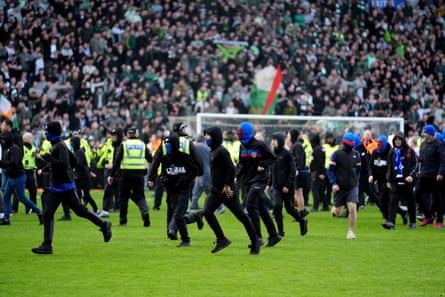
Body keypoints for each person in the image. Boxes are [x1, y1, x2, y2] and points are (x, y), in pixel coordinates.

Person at [32, 121, 111, 254]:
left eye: (47, 132)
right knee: (47, 214)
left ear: (51, 133)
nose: (45, 134)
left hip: (65, 187)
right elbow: (73, 161)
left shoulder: (59, 146)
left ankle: (104, 225)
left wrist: (48, 159)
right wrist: (49, 167)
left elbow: (63, 163)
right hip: (58, 186)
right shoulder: (60, 144)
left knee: (80, 211)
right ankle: (47, 245)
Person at [195, 126, 261, 254]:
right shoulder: (212, 151)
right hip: (215, 191)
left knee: (241, 217)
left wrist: (227, 185)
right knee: (207, 212)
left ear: (214, 137)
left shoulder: (222, 151)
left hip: (227, 191)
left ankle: (255, 241)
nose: (206, 137)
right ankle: (222, 239)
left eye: (208, 135)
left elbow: (231, 169)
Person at [148, 131, 203, 247]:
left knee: (178, 214)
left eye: (169, 146)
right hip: (171, 187)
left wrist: (185, 179)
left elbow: (195, 169)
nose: (166, 147)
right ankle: (195, 217)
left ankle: (185, 239)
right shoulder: (166, 158)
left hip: (184, 188)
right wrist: (161, 178)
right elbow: (158, 164)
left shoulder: (184, 157)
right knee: (174, 211)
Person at [236, 121, 281, 247]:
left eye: (240, 131)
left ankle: (257, 238)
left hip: (260, 180)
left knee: (250, 206)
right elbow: (242, 165)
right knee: (261, 208)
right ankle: (274, 235)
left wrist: (262, 165)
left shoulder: (259, 145)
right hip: (249, 180)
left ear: (246, 132)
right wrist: (236, 177)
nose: (238, 133)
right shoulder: (242, 146)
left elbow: (272, 158)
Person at [107, 127, 152, 227]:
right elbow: (150, 159)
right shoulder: (142, 144)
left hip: (126, 174)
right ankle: (145, 210)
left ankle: (123, 221)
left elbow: (117, 161)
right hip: (139, 174)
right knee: (140, 196)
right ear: (136, 135)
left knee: (123, 197)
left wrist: (111, 175)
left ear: (127, 135)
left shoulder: (124, 144)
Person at [267, 132, 308, 238]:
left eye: (274, 140)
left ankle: (302, 220)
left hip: (287, 187)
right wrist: (269, 184)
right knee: (277, 207)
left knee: (289, 208)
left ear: (279, 141)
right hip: (276, 186)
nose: (272, 142)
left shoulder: (287, 154)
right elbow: (272, 170)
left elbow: (292, 171)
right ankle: (280, 231)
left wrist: (287, 185)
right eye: (272, 140)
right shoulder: (272, 154)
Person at [0, 131, 43, 225]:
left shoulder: (13, 149)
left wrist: (1, 163)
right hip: (13, 176)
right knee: (6, 197)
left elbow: (14, 163)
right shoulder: (8, 148)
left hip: (17, 177)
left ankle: (39, 212)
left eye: (3, 139)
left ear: (7, 139)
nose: (2, 141)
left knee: (22, 198)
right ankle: (6, 219)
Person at [328, 132, 361, 239]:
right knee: (338, 211)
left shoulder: (356, 155)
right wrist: (334, 183)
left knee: (352, 207)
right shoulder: (336, 154)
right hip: (340, 186)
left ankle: (351, 231)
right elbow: (331, 170)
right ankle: (334, 210)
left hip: (352, 186)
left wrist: (356, 181)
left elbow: (358, 170)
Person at [384, 131, 418, 229]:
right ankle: (391, 222)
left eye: (399, 140)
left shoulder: (409, 151)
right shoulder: (392, 151)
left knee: (410, 201)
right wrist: (388, 180)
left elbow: (415, 164)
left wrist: (411, 176)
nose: (398, 142)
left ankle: (412, 221)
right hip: (395, 180)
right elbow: (390, 166)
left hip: (407, 180)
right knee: (393, 201)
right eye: (396, 140)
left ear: (403, 140)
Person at [415, 125, 445, 228]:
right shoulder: (423, 144)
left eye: (425, 133)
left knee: (437, 198)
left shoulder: (438, 144)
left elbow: (442, 160)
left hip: (434, 175)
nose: (424, 135)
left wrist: (440, 173)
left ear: (430, 134)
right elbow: (420, 159)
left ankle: (440, 220)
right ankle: (428, 216)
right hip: (423, 174)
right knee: (417, 194)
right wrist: (418, 170)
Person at [97, 128, 123, 218]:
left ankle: (117, 207)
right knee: (108, 190)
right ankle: (106, 209)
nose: (112, 137)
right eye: (111, 135)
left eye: (114, 135)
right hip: (109, 170)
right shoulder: (108, 143)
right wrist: (99, 149)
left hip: (118, 170)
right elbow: (102, 154)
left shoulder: (122, 145)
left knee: (118, 190)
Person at [71, 136, 99, 214]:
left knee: (86, 195)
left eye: (72, 142)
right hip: (78, 176)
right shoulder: (76, 152)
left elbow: (79, 163)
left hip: (83, 176)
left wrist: (71, 163)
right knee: (78, 193)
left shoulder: (80, 152)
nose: (71, 144)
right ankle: (80, 209)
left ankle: (96, 209)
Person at [286, 129, 309, 217]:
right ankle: (301, 210)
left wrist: (297, 170)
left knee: (298, 192)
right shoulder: (296, 145)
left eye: (288, 135)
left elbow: (299, 159)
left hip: (299, 172)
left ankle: (302, 211)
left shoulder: (297, 146)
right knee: (298, 192)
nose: (287, 137)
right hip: (299, 171)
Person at [190, 135, 210, 211]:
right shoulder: (207, 148)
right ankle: (193, 206)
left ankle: (219, 207)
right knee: (196, 190)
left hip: (202, 172)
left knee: (208, 190)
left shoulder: (197, 147)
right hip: (204, 171)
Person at [309, 134, 327, 212]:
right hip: (319, 171)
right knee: (321, 190)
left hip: (317, 172)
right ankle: (325, 205)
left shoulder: (316, 150)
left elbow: (319, 162)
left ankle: (315, 206)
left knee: (315, 189)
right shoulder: (321, 149)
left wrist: (320, 173)